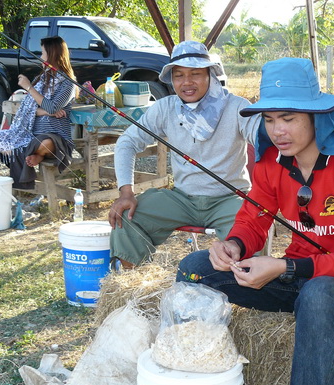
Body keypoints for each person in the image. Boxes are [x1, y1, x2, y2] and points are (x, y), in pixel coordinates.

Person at [177, 58, 334, 385]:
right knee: (195, 269)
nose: (278, 130)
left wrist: (285, 266)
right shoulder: (270, 162)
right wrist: (235, 246)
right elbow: (253, 218)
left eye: (289, 118)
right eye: (270, 119)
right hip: (294, 278)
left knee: (321, 292)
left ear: (316, 116)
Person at [108, 40, 261, 269]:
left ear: (210, 74)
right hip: (181, 198)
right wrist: (126, 192)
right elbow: (127, 142)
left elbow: (265, 139)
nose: (186, 82)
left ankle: (242, 288)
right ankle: (131, 287)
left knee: (247, 233)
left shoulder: (237, 106)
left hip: (230, 198)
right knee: (127, 218)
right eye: (178, 75)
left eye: (195, 74)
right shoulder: (164, 107)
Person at [0, 36, 76, 189]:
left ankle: (35, 153)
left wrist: (29, 88)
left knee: (44, 143)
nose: (40, 57)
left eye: (43, 53)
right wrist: (47, 112)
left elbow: (52, 107)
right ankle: (36, 154)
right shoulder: (42, 79)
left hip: (55, 136)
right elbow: (28, 109)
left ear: (52, 55)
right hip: (31, 134)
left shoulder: (68, 83)